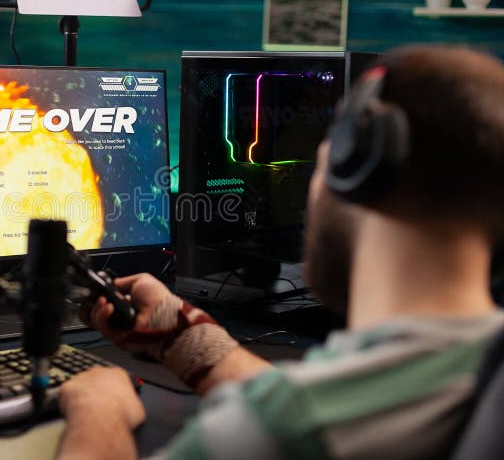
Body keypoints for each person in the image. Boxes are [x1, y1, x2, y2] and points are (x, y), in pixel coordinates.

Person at [56, 45, 504, 459]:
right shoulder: (476, 362)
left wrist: (100, 411)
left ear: (352, 172)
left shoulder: (287, 428)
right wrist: (186, 339)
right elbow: (347, 399)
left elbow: (301, 416)